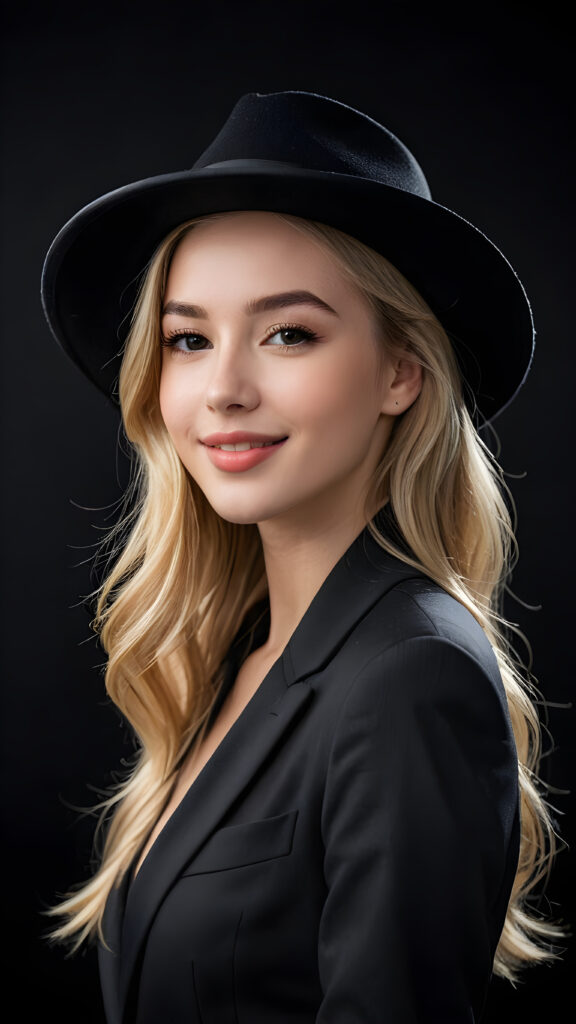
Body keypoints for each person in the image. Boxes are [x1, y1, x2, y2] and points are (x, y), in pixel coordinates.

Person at [41, 91, 561, 1023]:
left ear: (402, 372)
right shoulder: (240, 651)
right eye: (189, 339)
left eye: (289, 333)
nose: (225, 389)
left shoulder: (413, 672)